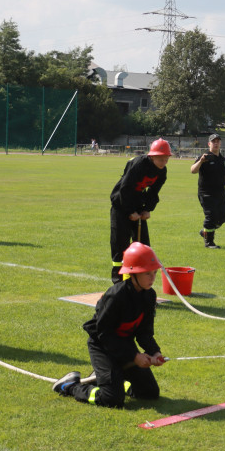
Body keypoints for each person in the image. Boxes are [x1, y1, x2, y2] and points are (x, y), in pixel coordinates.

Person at [52, 242, 167, 408]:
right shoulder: (115, 296)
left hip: (124, 346)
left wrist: (155, 352)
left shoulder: (149, 296)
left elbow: (144, 332)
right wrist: (134, 356)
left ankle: (114, 380)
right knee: (112, 399)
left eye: (154, 272)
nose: (152, 278)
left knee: (149, 393)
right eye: (147, 273)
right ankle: (70, 386)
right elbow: (104, 334)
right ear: (133, 273)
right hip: (102, 346)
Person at [109, 139, 170, 283]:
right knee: (120, 245)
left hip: (137, 206)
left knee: (143, 245)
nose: (163, 162)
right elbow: (125, 189)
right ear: (152, 156)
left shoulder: (162, 172)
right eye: (160, 159)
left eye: (166, 159)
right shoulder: (139, 165)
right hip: (121, 205)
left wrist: (147, 209)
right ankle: (119, 282)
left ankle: (139, 281)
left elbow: (154, 192)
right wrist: (130, 211)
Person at [190, 133, 225, 249]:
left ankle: (205, 232)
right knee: (211, 216)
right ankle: (209, 242)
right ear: (209, 144)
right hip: (206, 193)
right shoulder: (204, 157)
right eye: (213, 141)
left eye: (218, 141)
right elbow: (193, 170)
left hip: (221, 193)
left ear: (220, 143)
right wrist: (201, 161)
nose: (216, 143)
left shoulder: (223, 159)